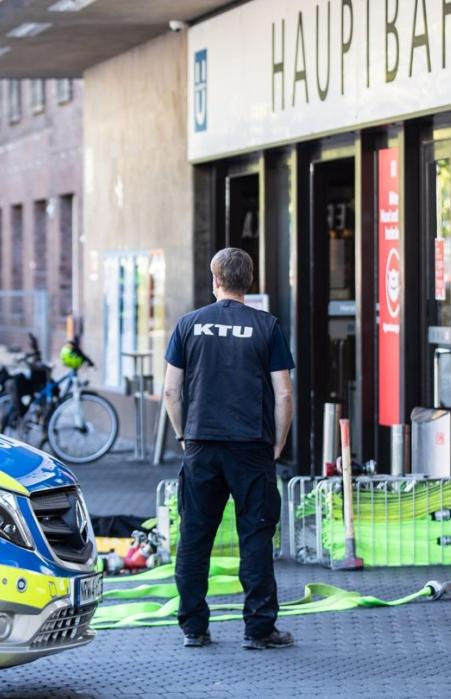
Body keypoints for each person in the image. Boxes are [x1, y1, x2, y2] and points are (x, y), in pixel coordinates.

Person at [162, 247, 295, 650]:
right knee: (255, 535)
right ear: (248, 281)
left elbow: (170, 390)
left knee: (195, 536)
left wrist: (184, 435)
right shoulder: (267, 327)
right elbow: (284, 394)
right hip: (251, 446)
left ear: (215, 279)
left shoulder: (188, 325)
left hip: (201, 444)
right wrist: (279, 441)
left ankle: (194, 627)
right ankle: (258, 629)